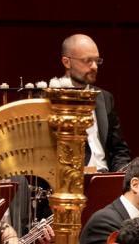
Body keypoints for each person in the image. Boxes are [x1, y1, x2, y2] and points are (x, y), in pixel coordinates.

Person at [49, 32, 130, 174]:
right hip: (71, 180)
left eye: (97, 61)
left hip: (106, 178)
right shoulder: (51, 98)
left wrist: (121, 173)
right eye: (87, 61)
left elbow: (119, 149)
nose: (94, 67)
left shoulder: (105, 98)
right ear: (66, 62)